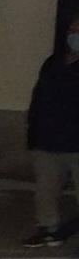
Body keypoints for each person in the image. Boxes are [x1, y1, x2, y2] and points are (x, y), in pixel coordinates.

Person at [23, 14, 79, 247]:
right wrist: (32, 129)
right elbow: (38, 97)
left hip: (76, 142)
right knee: (45, 190)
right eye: (73, 31)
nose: (75, 36)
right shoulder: (52, 62)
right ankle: (48, 229)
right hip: (47, 140)